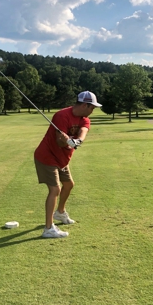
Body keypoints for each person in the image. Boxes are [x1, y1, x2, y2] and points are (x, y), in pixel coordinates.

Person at [33, 91, 101, 238]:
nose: (92, 111)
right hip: (47, 156)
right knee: (55, 189)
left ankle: (60, 213)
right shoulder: (61, 116)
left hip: (62, 158)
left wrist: (77, 141)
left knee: (69, 184)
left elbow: (83, 132)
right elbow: (58, 142)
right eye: (92, 108)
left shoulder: (85, 119)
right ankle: (48, 228)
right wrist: (65, 139)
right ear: (84, 105)